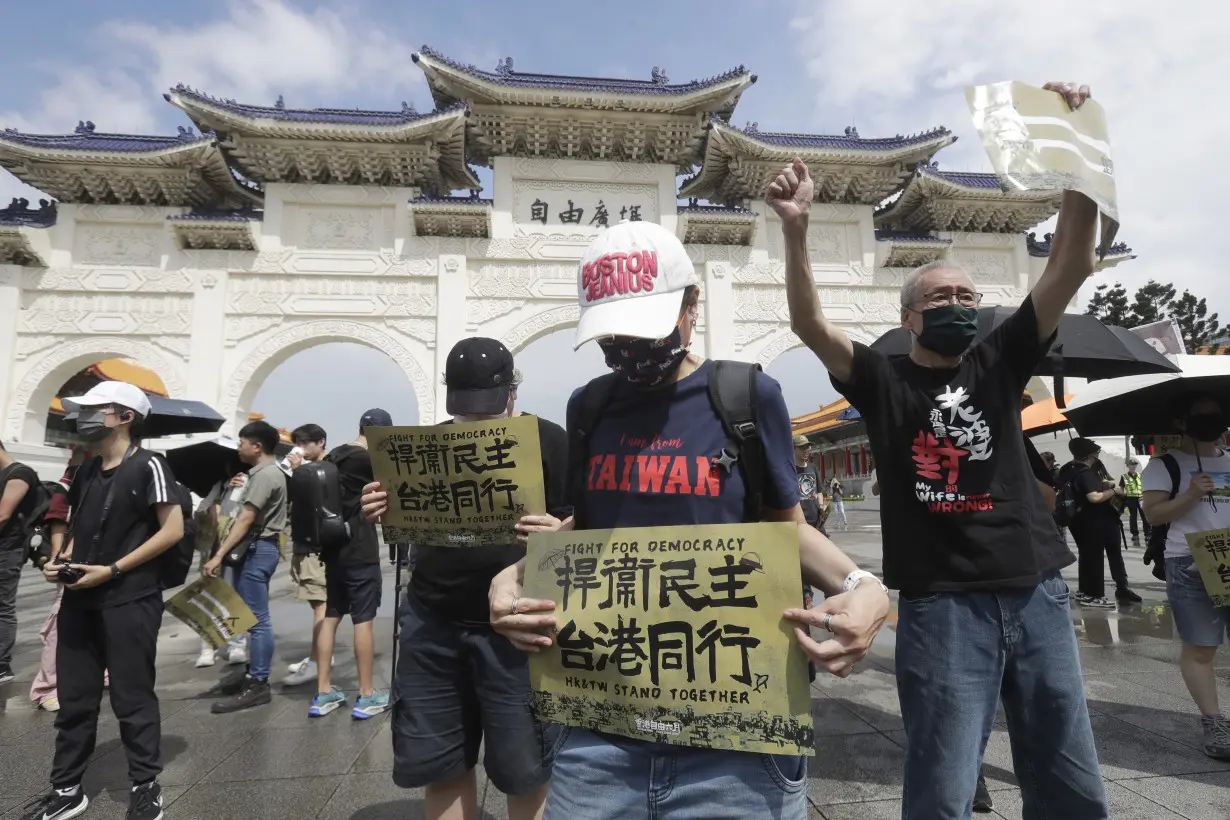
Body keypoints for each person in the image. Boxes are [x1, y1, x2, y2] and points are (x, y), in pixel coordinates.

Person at [470, 219, 890, 820]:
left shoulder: (746, 396)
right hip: (600, 730)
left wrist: (862, 587)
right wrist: (515, 574)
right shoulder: (591, 405)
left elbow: (784, 530)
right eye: (612, 333)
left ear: (692, 305)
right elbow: (592, 532)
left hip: (737, 735)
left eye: (643, 328)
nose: (627, 348)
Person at [769, 80, 1109, 819]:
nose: (959, 306)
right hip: (942, 608)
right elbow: (806, 322)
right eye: (940, 299)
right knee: (943, 784)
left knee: (1069, 775)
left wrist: (1077, 155)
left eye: (967, 296)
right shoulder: (881, 382)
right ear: (907, 317)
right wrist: (797, 230)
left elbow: (1071, 265)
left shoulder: (1000, 357)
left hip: (1036, 590)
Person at [362, 338, 570, 820]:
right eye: (467, 408)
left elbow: (583, 523)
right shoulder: (422, 447)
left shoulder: (550, 440)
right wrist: (378, 507)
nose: (476, 420)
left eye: (488, 409)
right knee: (440, 761)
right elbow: (396, 511)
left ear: (512, 393)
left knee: (527, 769)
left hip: (519, 628)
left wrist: (558, 530)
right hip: (433, 618)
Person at [24, 381, 183, 820]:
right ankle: (67, 788)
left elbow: (172, 531)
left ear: (125, 416)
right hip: (81, 599)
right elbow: (80, 530)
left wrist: (113, 570)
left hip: (130, 598)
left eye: (96, 409)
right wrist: (60, 561)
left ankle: (145, 784)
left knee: (132, 697)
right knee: (75, 699)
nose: (84, 417)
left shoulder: (150, 465)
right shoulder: (87, 470)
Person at [1141, 393, 1230, 761]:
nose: (1211, 420)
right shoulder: (1164, 466)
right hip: (1190, 562)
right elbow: (1154, 515)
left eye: (1216, 414)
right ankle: (1214, 722)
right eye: (1201, 415)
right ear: (1181, 422)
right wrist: (1192, 493)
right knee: (1201, 647)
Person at [310, 409, 391, 719]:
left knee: (331, 615)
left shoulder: (332, 457)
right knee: (363, 619)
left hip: (332, 549)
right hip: (359, 549)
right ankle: (367, 694)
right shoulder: (367, 461)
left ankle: (323, 692)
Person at [203, 420, 288, 714]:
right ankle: (253, 672)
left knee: (257, 619)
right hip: (257, 548)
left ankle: (259, 682)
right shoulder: (261, 474)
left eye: (241, 442)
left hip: (257, 548)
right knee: (250, 616)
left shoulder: (265, 476)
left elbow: (246, 519)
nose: (239, 447)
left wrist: (217, 556)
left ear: (257, 446)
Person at [1060, 439, 1140, 607]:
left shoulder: (1067, 469)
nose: (1097, 457)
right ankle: (1096, 595)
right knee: (1095, 558)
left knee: (1087, 556)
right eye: (1096, 454)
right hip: (1094, 521)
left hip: (1076, 520)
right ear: (1090, 455)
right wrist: (1113, 490)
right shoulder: (1085, 472)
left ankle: (1085, 592)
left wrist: (1104, 484)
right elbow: (1094, 497)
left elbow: (1084, 488)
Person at [282, 423, 332, 686]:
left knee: (321, 603)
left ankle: (317, 660)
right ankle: (320, 654)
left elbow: (320, 502)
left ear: (320, 442)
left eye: (305, 442)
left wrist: (298, 472)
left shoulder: (324, 470)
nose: (300, 448)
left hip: (316, 546)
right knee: (317, 603)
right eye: (297, 442)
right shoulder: (305, 470)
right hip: (304, 542)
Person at [193, 459, 249, 669]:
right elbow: (200, 513)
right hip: (212, 550)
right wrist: (215, 504)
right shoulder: (218, 487)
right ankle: (208, 646)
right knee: (209, 598)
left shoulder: (247, 482)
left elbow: (245, 516)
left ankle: (236, 644)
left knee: (232, 597)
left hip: (233, 550)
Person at [29, 465, 74, 712]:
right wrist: (58, 558)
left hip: (109, 559)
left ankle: (104, 672)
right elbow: (59, 514)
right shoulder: (80, 469)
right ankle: (46, 687)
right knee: (60, 621)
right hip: (76, 558)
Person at [0, 440, 40, 684]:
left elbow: (3, 514)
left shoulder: (19, 473)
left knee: (2, 607)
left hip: (7, 551)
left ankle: (2, 666)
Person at [1120, 458, 1149, 546]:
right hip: (1130, 499)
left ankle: (1148, 534)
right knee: (1133, 517)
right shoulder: (1124, 476)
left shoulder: (1140, 475)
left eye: (1135, 465)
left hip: (1141, 498)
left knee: (1145, 516)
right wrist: (1123, 497)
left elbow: (1145, 485)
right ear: (1128, 466)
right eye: (1131, 465)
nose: (1133, 466)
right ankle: (1135, 534)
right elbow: (1121, 488)